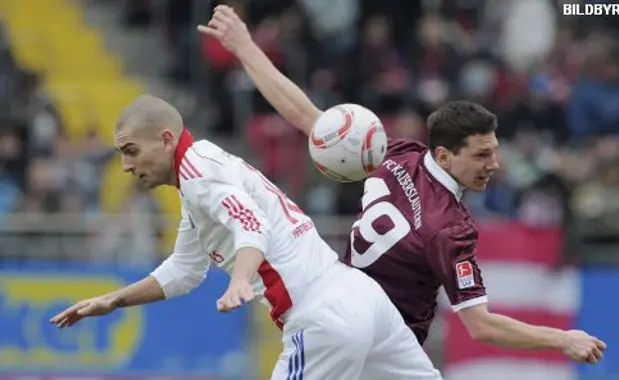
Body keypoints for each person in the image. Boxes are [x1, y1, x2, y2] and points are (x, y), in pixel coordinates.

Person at [198, 5, 607, 365]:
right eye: (482, 155)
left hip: (356, 325)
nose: (494, 165)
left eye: (494, 151)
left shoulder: (400, 154)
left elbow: (305, 115)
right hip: (376, 339)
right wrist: (563, 339)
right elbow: (481, 326)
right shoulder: (450, 228)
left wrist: (245, 48)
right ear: (446, 155)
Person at [50, 95, 443, 380]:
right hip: (363, 297)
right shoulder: (200, 180)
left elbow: (252, 224)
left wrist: (240, 280)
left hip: (322, 317)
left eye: (132, 151)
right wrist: (114, 299)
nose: (125, 165)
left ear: (166, 139)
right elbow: (184, 270)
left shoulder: (199, 174)